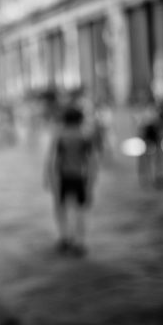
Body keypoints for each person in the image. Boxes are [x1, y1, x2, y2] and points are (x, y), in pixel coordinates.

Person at [44, 106, 96, 256]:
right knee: (80, 210)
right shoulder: (84, 135)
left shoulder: (60, 135)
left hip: (63, 176)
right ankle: (79, 242)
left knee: (61, 209)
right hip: (80, 176)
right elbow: (92, 162)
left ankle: (65, 237)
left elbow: (51, 159)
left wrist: (49, 178)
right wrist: (90, 184)